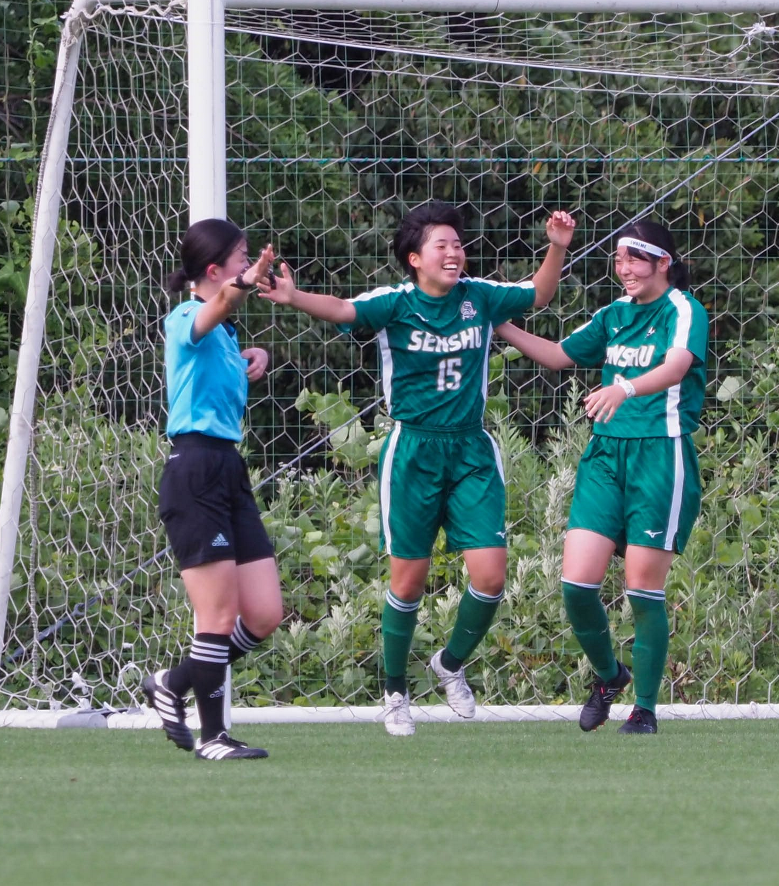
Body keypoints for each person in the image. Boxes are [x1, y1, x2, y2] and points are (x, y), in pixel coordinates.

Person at [262, 201, 575, 735]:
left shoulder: (479, 297)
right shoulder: (395, 304)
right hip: (412, 453)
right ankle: (395, 692)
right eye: (441, 245)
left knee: (491, 577)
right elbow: (341, 309)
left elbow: (539, 294)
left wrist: (557, 247)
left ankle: (449, 664)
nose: (454, 252)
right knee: (408, 584)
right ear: (415, 258)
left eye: (458, 244)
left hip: (471, 450)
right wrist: (293, 297)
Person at [495, 219, 707, 734]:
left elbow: (677, 366)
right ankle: (610, 676)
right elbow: (556, 356)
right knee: (575, 584)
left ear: (663, 262)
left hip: (661, 458)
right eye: (618, 259)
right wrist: (495, 322)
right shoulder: (612, 315)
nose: (624, 268)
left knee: (642, 590)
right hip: (605, 458)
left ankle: (645, 710)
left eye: (635, 258)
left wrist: (625, 388)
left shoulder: (682, 309)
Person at [142, 219, 285, 760]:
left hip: (228, 468)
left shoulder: (225, 335)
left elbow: (221, 340)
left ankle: (173, 682)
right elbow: (218, 305)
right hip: (195, 470)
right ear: (214, 269)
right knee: (217, 619)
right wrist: (245, 283)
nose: (250, 264)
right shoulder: (185, 316)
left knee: (265, 613)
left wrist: (255, 356)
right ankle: (214, 737)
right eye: (242, 257)